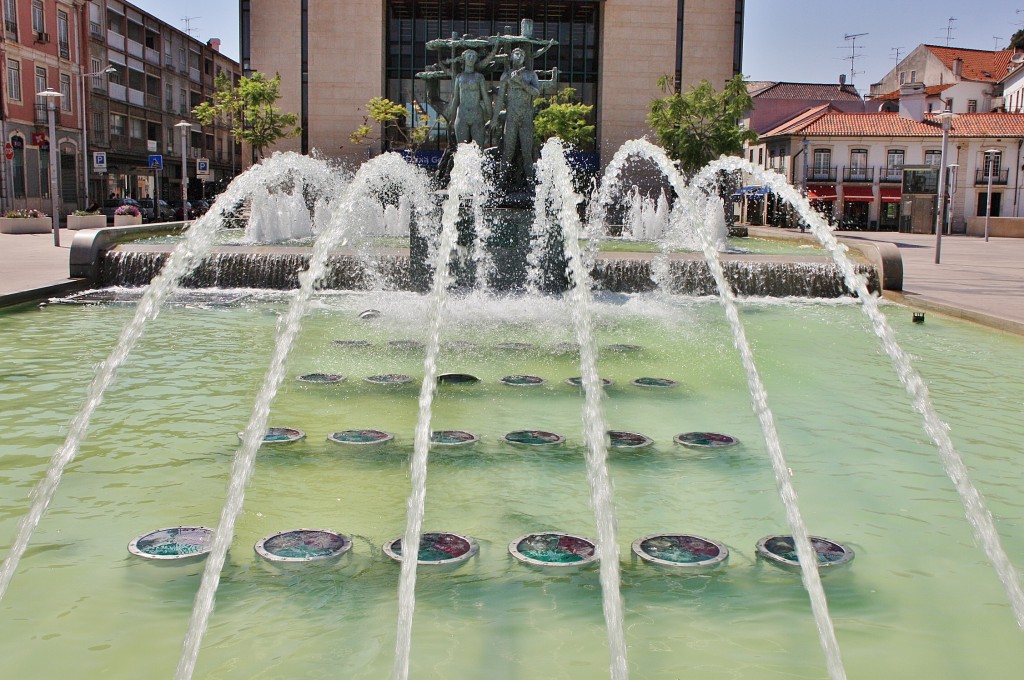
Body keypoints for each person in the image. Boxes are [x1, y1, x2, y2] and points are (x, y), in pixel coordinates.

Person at [494, 47, 540, 181]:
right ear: (511, 57)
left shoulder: (531, 75)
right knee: (508, 151)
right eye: (517, 54)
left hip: (526, 117)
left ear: (525, 58)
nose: (519, 56)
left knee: (527, 152)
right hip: (511, 117)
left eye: (522, 54)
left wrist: (521, 83)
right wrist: (494, 119)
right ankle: (502, 181)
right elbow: (500, 99)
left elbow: (536, 93)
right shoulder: (506, 75)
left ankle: (530, 181)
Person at [445, 49, 491, 148]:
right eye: (469, 56)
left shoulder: (479, 77)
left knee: (479, 149)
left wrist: (491, 116)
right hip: (462, 115)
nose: (471, 58)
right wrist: (452, 119)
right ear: (464, 58)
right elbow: (456, 98)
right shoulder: (459, 77)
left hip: (477, 115)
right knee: (462, 149)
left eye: (473, 56)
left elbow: (486, 97)